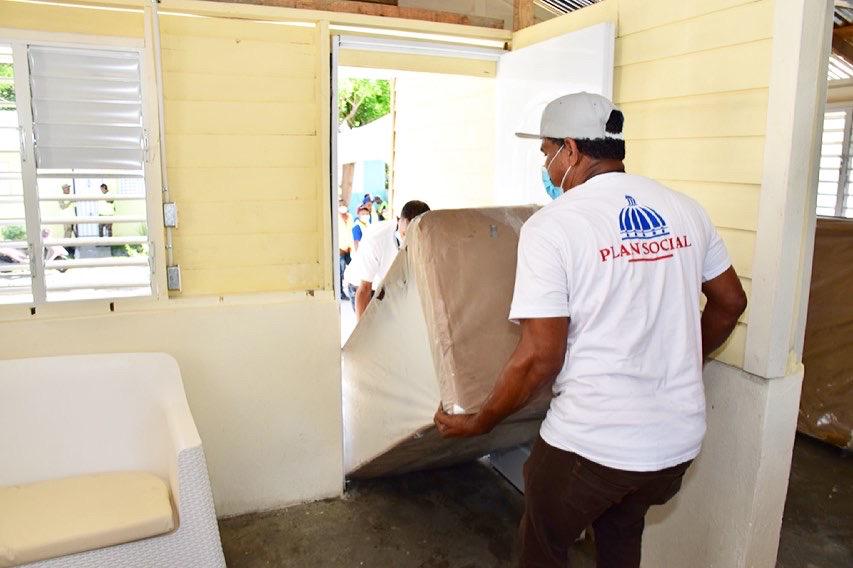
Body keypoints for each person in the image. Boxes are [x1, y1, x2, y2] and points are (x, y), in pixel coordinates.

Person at [433, 92, 748, 567]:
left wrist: (481, 421)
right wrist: (684, 358)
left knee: (542, 547)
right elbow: (731, 302)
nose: (546, 166)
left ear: (572, 149)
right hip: (675, 446)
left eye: (547, 153)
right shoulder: (685, 209)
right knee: (621, 531)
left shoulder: (554, 226)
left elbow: (540, 356)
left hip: (592, 444)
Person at [349, 200, 430, 319]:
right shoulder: (377, 239)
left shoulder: (427, 234)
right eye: (405, 234)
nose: (408, 239)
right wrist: (361, 329)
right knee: (370, 327)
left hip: (390, 285)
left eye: (414, 234)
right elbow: (364, 289)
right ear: (398, 220)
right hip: (363, 287)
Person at [338, 201, 354, 300]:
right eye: (340, 205)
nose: (342, 207)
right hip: (340, 250)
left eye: (344, 205)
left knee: (353, 269)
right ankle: (340, 292)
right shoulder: (336, 218)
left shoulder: (350, 217)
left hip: (349, 249)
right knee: (341, 271)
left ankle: (352, 290)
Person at [58, 183, 77, 256]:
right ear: (63, 189)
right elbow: (62, 207)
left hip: (73, 218)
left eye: (69, 188)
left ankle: (71, 250)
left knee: (72, 233)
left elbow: (74, 206)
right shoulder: (61, 197)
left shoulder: (71, 196)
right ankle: (66, 250)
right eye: (67, 188)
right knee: (67, 233)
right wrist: (70, 202)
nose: (69, 189)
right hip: (66, 218)